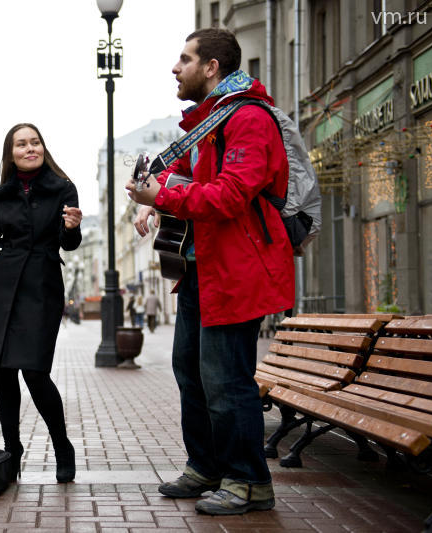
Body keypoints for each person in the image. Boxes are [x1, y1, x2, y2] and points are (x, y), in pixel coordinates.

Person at [126, 28, 294, 515]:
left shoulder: (249, 119)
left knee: (227, 380)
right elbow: (201, 190)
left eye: (184, 59)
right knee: (191, 373)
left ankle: (248, 482)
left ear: (212, 67)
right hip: (203, 270)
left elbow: (231, 196)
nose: (175, 68)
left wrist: (163, 196)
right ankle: (206, 467)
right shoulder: (212, 121)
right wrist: (160, 204)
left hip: (240, 271)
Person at [0, 123, 83, 483]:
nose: (29, 148)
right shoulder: (2, 193)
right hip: (3, 287)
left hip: (41, 287)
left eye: (35, 142)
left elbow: (67, 244)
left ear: (43, 147)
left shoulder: (63, 187)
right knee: (3, 370)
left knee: (36, 373)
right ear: (11, 153)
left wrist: (71, 227)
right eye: (21, 144)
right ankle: (12, 452)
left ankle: (62, 446)